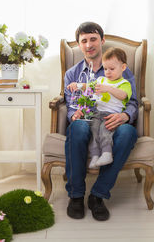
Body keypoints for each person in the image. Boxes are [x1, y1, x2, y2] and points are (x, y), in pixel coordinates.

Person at [64, 22, 138, 221]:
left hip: (113, 120)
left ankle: (98, 195)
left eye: (93, 39)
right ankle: (76, 195)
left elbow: (132, 101)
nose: (89, 44)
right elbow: (70, 104)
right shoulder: (72, 74)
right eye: (84, 41)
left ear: (102, 41)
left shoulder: (122, 71)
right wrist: (75, 114)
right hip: (87, 119)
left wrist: (125, 116)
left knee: (129, 132)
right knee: (77, 127)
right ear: (79, 45)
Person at [67, 47, 132, 169]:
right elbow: (89, 86)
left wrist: (107, 88)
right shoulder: (102, 80)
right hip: (97, 113)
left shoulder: (124, 84)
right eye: (105, 68)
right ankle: (95, 156)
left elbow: (123, 95)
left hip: (111, 115)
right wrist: (78, 85)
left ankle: (107, 153)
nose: (107, 72)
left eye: (112, 69)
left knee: (104, 130)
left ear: (123, 67)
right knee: (94, 131)